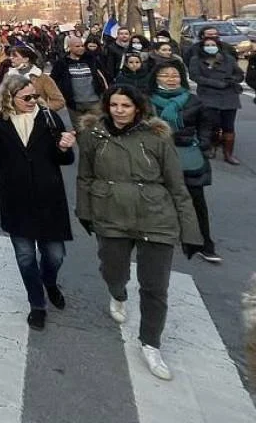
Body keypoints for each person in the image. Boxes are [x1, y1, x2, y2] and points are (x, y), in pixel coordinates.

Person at [75, 86, 203, 380]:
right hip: (111, 214)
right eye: (114, 105)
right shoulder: (93, 137)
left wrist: (191, 232)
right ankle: (117, 293)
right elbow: (85, 177)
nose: (119, 110)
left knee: (155, 287)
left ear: (138, 108)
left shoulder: (156, 137)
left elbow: (177, 186)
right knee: (112, 269)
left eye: (126, 105)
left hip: (156, 217)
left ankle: (150, 343)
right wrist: (85, 212)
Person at [0, 76, 76, 331]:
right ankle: (37, 304)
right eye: (26, 98)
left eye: (35, 97)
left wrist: (64, 147)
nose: (33, 101)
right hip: (15, 196)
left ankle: (49, 282)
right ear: (10, 98)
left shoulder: (49, 118)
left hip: (48, 196)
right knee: (26, 256)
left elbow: (65, 159)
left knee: (55, 255)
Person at [149, 62, 221, 263]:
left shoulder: (193, 100)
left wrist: (203, 144)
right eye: (165, 75)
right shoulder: (146, 101)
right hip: (157, 156)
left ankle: (204, 243)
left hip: (189, 154)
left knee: (196, 200)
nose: (171, 79)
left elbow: (206, 125)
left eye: (175, 75)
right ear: (156, 78)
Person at [187, 35, 244, 165]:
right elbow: (195, 76)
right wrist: (216, 83)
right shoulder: (196, 60)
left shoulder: (228, 59)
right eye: (207, 45)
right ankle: (211, 146)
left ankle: (228, 153)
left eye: (213, 45)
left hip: (229, 95)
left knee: (229, 126)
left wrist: (231, 80)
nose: (211, 48)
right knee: (212, 123)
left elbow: (239, 74)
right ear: (202, 47)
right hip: (208, 94)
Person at [50, 37, 109, 116]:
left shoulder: (92, 60)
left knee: (97, 126)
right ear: (70, 47)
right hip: (74, 104)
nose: (81, 48)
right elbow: (53, 81)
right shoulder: (61, 63)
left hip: (95, 102)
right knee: (78, 127)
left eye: (82, 46)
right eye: (77, 46)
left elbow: (103, 76)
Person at [0, 45, 66, 111]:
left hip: (35, 120)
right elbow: (2, 98)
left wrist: (42, 109)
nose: (11, 58)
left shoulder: (42, 78)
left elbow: (59, 101)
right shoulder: (8, 75)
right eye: (10, 56)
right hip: (13, 118)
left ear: (26, 59)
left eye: (15, 56)